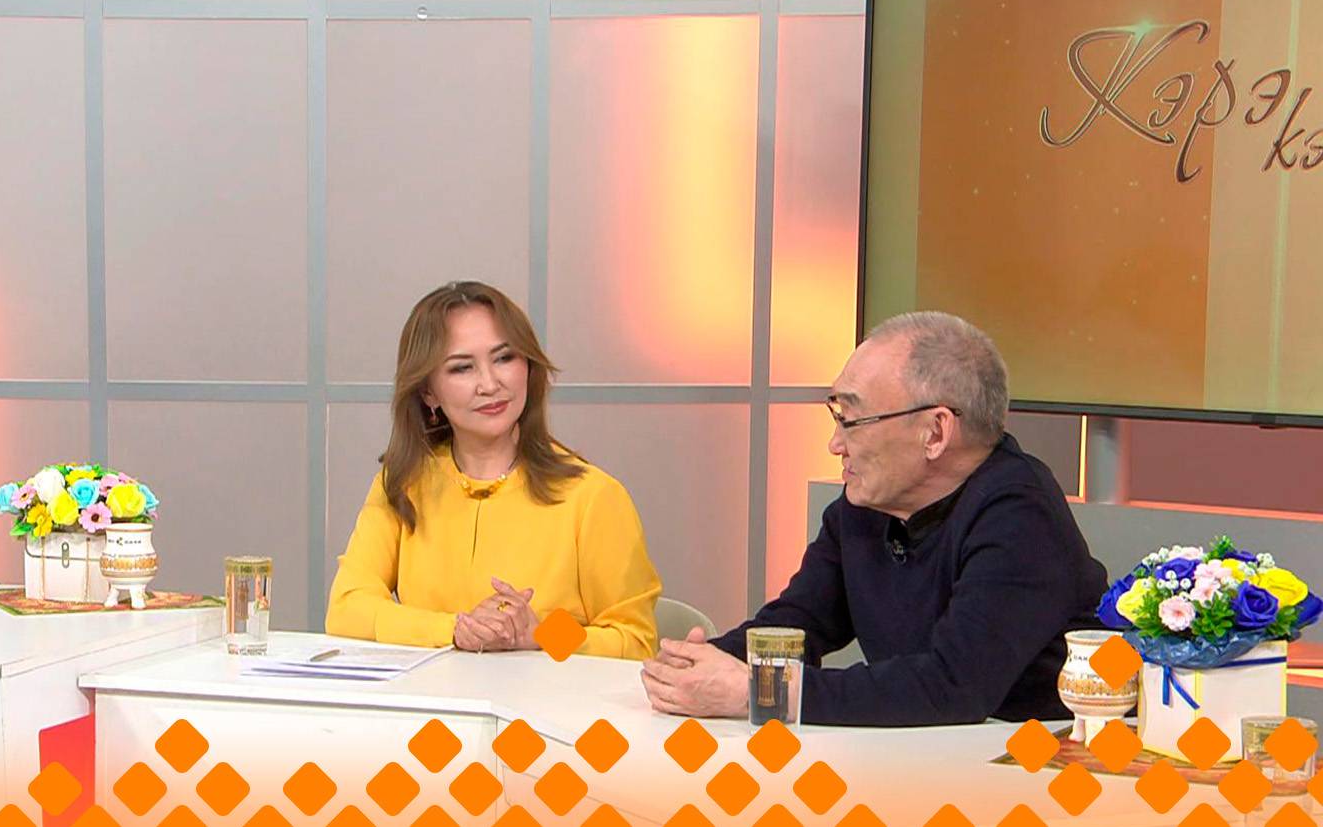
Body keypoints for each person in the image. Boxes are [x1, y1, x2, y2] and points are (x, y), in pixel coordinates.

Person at [642, 311, 1105, 724]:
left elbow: (954, 686)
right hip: (919, 758)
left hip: (1031, 766)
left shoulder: (1021, 514)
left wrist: (757, 692)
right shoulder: (865, 506)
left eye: (851, 420)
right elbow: (799, 623)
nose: (834, 445)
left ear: (935, 432)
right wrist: (700, 664)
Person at [326, 281, 660, 660]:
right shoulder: (404, 484)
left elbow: (636, 642)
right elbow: (346, 610)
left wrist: (543, 635)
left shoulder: (593, 496)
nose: (490, 384)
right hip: (432, 696)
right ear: (428, 392)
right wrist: (456, 630)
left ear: (528, 367)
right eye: (462, 368)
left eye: (504, 358)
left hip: (548, 700)